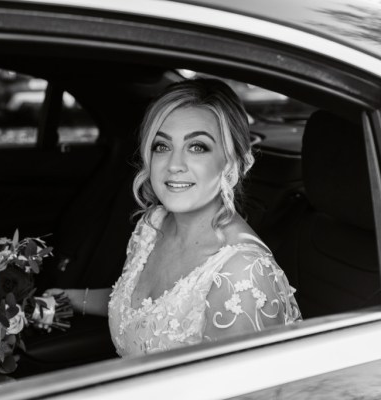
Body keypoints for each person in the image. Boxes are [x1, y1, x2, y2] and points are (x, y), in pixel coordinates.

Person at [44, 78, 301, 357]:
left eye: (197, 147)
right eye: (162, 146)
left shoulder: (241, 277)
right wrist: (70, 298)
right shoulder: (154, 224)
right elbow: (135, 303)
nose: (174, 165)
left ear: (231, 161)